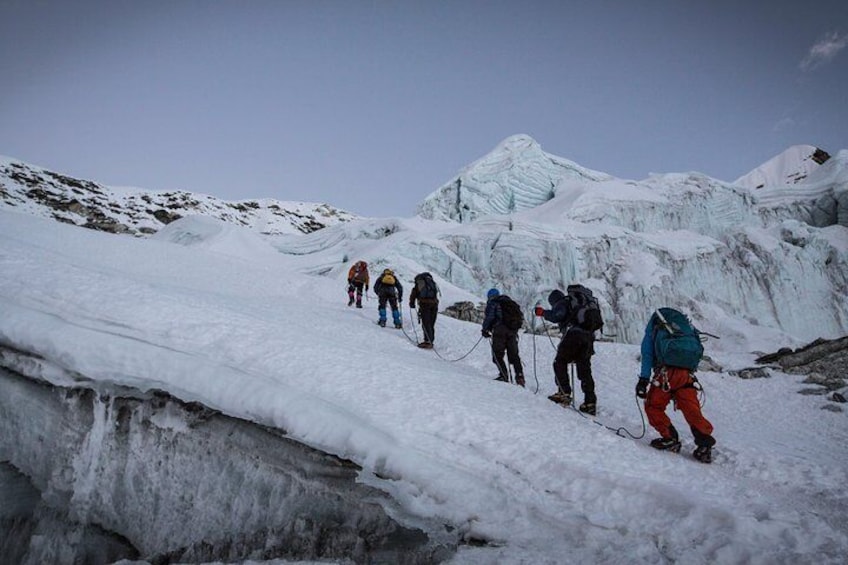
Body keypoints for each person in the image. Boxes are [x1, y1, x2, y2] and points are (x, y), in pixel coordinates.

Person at [636, 308, 716, 463]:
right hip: (686, 375)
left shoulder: (656, 326)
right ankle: (704, 444)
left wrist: (643, 381)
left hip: (666, 375)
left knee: (653, 406)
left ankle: (670, 438)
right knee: (691, 408)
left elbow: (647, 354)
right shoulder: (685, 327)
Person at [535, 288, 598, 415]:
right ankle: (590, 402)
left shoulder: (562, 302)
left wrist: (543, 313)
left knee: (560, 362)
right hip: (589, 337)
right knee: (584, 369)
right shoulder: (580, 304)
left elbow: (558, 315)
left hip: (574, 335)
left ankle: (564, 393)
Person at [481, 288, 525, 387]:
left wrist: (485, 330)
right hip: (512, 332)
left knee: (497, 355)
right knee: (514, 356)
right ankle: (520, 376)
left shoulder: (493, 303)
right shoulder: (509, 303)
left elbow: (490, 317)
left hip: (499, 331)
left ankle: (503, 375)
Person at [409, 272, 439, 349]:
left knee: (426, 323)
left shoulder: (419, 283)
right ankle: (430, 340)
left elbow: (414, 294)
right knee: (431, 323)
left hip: (425, 305)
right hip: (434, 304)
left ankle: (427, 341)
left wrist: (412, 304)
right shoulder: (432, 283)